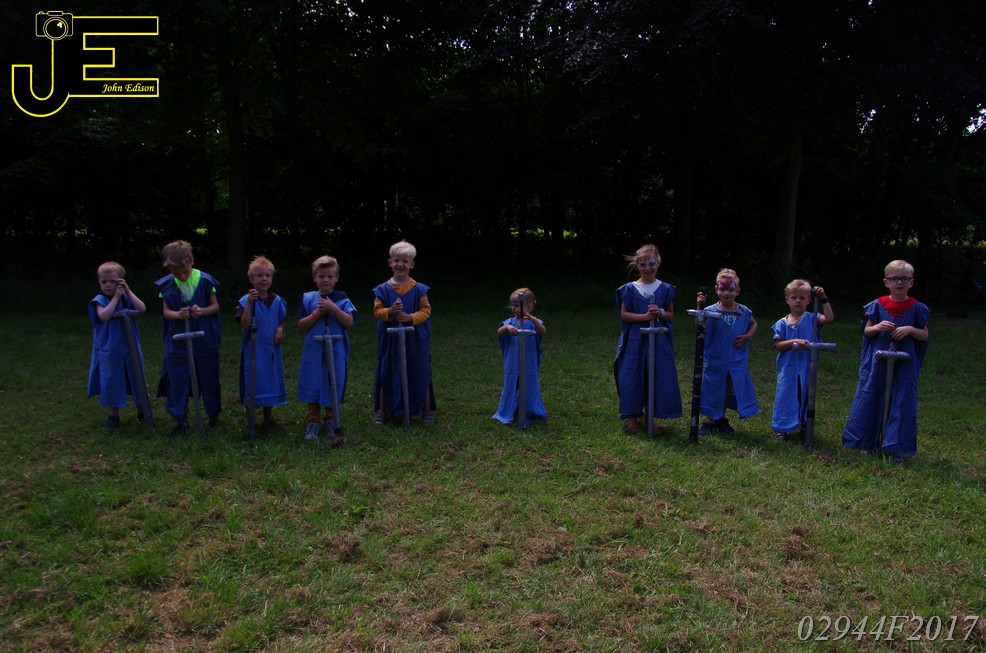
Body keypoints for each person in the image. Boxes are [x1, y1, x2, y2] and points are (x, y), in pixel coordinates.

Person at [842, 260, 930, 461]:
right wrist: (878, 327)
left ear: (911, 282)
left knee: (902, 399)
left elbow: (924, 335)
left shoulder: (917, 308)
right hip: (878, 362)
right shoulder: (877, 305)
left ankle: (896, 447)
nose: (899, 282)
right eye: (894, 278)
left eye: (904, 279)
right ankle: (865, 442)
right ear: (886, 282)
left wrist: (910, 329)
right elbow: (867, 331)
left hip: (904, 365)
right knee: (871, 395)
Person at [613, 244, 682, 435]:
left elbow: (670, 314)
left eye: (651, 263)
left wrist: (660, 312)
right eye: (642, 264)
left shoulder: (665, 289)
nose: (647, 268)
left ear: (658, 263)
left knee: (656, 375)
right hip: (634, 341)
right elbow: (625, 314)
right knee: (632, 376)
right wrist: (644, 317)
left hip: (658, 342)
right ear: (637, 265)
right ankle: (632, 418)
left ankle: (649, 417)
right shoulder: (629, 289)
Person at [155, 240, 222, 435]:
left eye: (184, 272)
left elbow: (215, 307)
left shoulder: (205, 281)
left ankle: (213, 414)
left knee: (209, 375)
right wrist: (177, 315)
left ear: (191, 262)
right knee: (178, 377)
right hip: (178, 339)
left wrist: (202, 311)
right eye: (177, 274)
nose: (182, 276)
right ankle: (180, 418)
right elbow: (166, 311)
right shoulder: (167, 285)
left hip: (205, 337)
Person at [372, 240, 436, 425]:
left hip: (414, 340)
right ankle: (382, 410)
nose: (400, 264)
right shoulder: (382, 290)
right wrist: (390, 311)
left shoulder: (419, 289)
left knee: (420, 372)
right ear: (390, 262)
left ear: (411, 264)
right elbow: (377, 311)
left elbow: (426, 311)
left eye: (405, 261)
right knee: (386, 372)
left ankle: (426, 409)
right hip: (390, 340)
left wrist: (410, 317)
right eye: (396, 260)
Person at [297, 255, 356, 445]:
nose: (326, 280)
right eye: (321, 276)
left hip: (336, 347)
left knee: (333, 379)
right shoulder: (308, 298)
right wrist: (317, 313)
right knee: (313, 379)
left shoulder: (342, 298)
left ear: (336, 278)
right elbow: (301, 325)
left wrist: (333, 308)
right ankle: (313, 421)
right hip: (314, 348)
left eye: (330, 276)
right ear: (314, 277)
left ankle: (331, 418)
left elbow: (349, 322)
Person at [770, 279, 835, 441]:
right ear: (787, 299)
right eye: (794, 297)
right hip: (788, 367)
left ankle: (804, 424)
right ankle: (782, 428)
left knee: (805, 394)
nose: (798, 301)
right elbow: (779, 345)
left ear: (808, 300)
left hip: (807, 366)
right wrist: (794, 341)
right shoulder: (781, 323)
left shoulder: (813, 318)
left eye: (802, 298)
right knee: (785, 395)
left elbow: (829, 318)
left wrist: (824, 298)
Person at [697, 268, 760, 434]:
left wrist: (748, 336)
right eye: (722, 289)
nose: (726, 293)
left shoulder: (743, 311)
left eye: (731, 289)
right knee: (714, 388)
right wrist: (699, 307)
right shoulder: (709, 311)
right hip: (715, 359)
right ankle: (709, 420)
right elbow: (699, 326)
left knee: (727, 390)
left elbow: (754, 323)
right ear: (716, 289)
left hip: (735, 360)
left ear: (737, 291)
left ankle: (720, 419)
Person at [87, 261, 148, 427]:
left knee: (136, 375)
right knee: (111, 378)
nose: (108, 285)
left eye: (112, 281)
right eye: (104, 282)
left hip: (130, 346)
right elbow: (104, 316)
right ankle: (113, 414)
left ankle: (143, 409)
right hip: (110, 348)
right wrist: (116, 298)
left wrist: (127, 291)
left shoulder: (126, 298)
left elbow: (142, 309)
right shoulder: (100, 300)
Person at [235, 256, 288, 433]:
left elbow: (281, 318)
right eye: (259, 275)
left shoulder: (277, 300)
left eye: (267, 275)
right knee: (253, 381)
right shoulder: (245, 301)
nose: (264, 279)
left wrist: (280, 329)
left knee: (270, 380)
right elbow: (244, 324)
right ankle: (250, 420)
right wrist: (250, 303)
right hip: (254, 350)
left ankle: (268, 418)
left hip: (271, 349)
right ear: (252, 279)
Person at [493, 288, 548, 427]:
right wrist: (507, 328)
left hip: (528, 362)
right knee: (512, 384)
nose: (513, 308)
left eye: (517, 305)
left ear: (528, 305)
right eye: (511, 305)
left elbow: (543, 331)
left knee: (529, 384)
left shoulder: (533, 322)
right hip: (513, 362)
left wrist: (532, 319)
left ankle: (530, 411)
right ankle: (508, 411)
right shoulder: (510, 322)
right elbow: (499, 332)